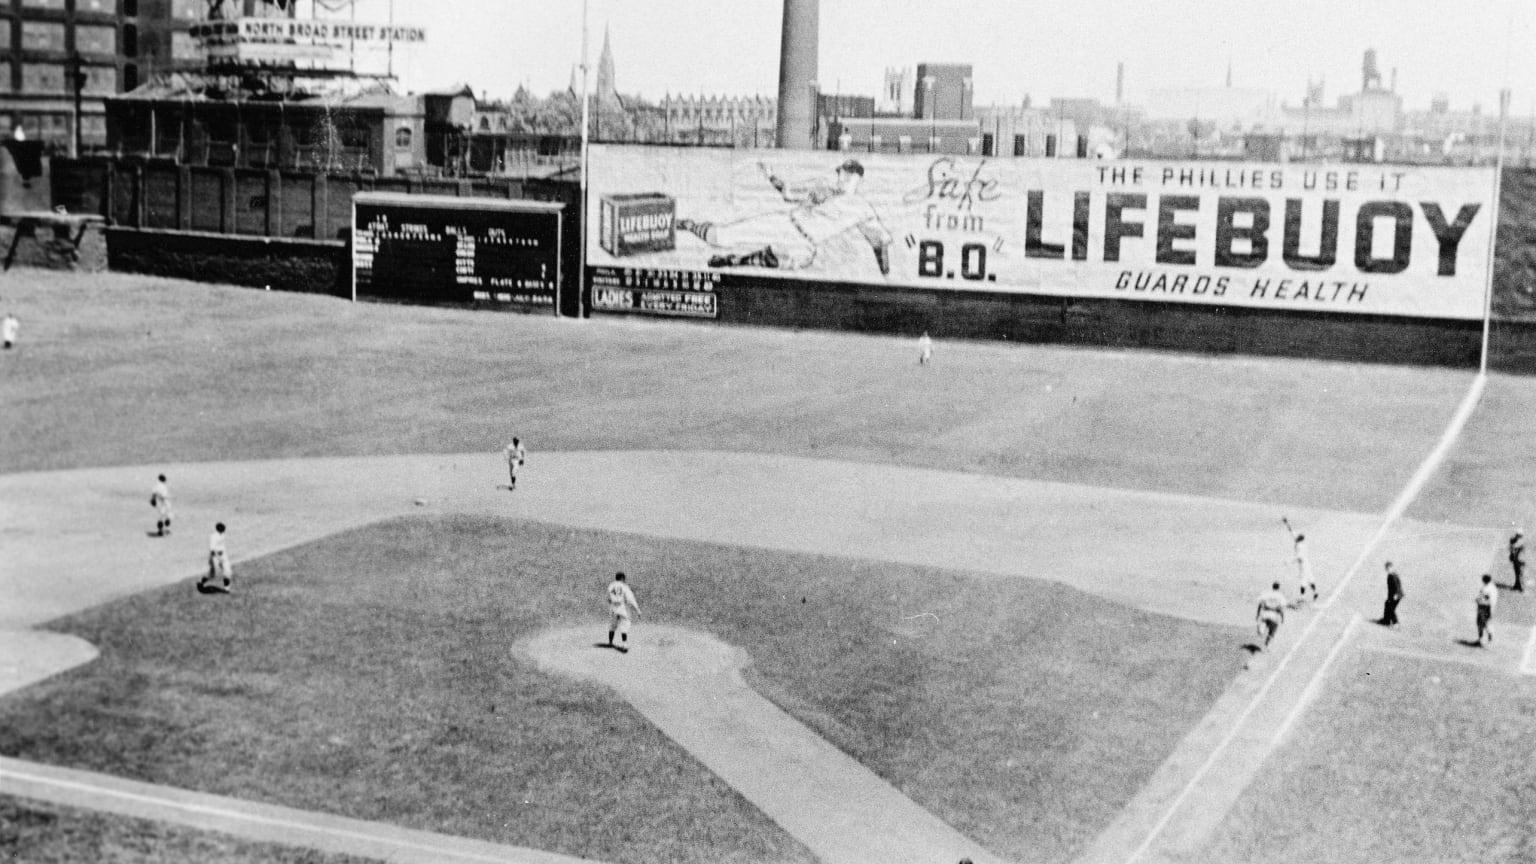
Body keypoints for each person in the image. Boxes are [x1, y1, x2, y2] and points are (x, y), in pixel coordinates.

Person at [676, 159, 893, 276]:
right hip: (785, 223)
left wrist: (886, 275)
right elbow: (787, 192)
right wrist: (770, 175)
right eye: (841, 172)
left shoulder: (862, 208)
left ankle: (736, 260)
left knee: (793, 261)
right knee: (719, 238)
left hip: (804, 243)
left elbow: (879, 241)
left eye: (847, 174)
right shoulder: (821, 185)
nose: (842, 177)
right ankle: (689, 225)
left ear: (857, 178)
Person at [605, 571, 640, 653]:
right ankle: (624, 644)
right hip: (622, 607)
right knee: (624, 625)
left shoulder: (611, 585)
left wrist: (611, 604)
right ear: (622, 578)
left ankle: (610, 642)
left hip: (613, 607)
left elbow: (608, 597)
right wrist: (637, 610)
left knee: (612, 625)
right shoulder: (624, 586)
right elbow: (630, 599)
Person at [201, 522, 233, 593]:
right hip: (215, 557)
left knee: (227, 572)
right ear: (218, 529)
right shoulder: (213, 536)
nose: (224, 529)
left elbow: (222, 545)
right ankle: (201, 582)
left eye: (224, 528)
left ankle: (226, 589)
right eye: (222, 528)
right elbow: (212, 549)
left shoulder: (223, 535)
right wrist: (213, 559)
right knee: (212, 574)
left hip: (223, 556)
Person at [1255, 581, 1287, 650]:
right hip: (1274, 615)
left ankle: (1262, 627)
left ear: (1272, 586)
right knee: (1272, 632)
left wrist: (1257, 615)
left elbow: (1260, 604)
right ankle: (1267, 645)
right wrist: (1283, 619)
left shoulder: (1266, 593)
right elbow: (1281, 608)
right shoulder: (1280, 596)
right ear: (1279, 588)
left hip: (1265, 613)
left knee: (1264, 623)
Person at [1290, 530, 1317, 603]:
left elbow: (1299, 557)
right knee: (1310, 579)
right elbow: (1292, 533)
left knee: (1303, 581)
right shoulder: (1301, 543)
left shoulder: (1300, 546)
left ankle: (1302, 597)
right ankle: (1315, 592)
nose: (1296, 538)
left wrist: (1290, 561)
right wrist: (1287, 523)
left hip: (1303, 565)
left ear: (1299, 539)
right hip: (1307, 564)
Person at [1475, 573, 1497, 646]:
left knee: (1483, 624)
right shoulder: (1491, 587)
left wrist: (1479, 600)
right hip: (1486, 608)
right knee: (1483, 623)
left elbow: (1487, 599)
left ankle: (1485, 639)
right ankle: (1485, 638)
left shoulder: (1487, 589)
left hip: (1485, 608)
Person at [1381, 561, 1404, 627]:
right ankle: (1386, 620)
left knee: (1391, 608)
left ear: (1392, 568)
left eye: (1389, 568)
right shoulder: (1392, 574)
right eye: (1387, 569)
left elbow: (1396, 585)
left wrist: (1396, 594)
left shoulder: (1392, 575)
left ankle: (1395, 623)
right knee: (1387, 604)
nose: (1387, 570)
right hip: (1393, 595)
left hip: (1396, 595)